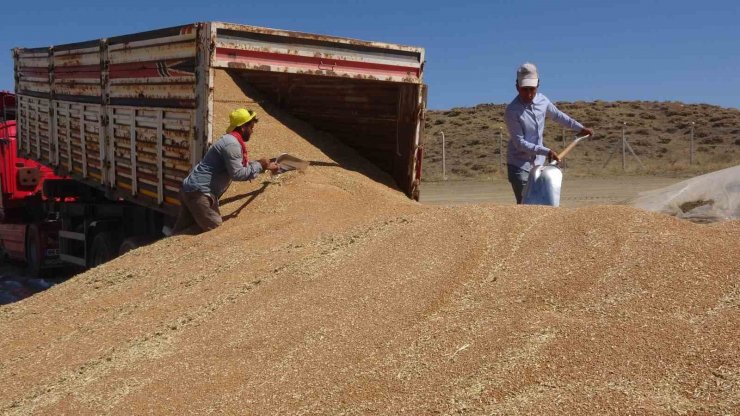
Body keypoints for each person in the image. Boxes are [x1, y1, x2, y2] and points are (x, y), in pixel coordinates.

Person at [172, 108, 279, 235]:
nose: (252, 131)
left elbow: (236, 166)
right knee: (214, 228)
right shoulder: (232, 144)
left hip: (191, 189)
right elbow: (238, 174)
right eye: (251, 127)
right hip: (199, 193)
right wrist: (260, 165)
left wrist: (265, 166)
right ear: (243, 127)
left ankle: (172, 244)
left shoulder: (230, 140)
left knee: (182, 230)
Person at [505, 62, 593, 204]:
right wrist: (546, 151)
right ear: (517, 86)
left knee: (542, 205)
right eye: (524, 89)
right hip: (519, 166)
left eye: (532, 89)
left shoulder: (542, 101)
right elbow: (520, 143)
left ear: (538, 85)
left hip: (539, 164)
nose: (529, 94)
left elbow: (558, 116)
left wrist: (579, 128)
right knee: (526, 207)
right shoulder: (512, 111)